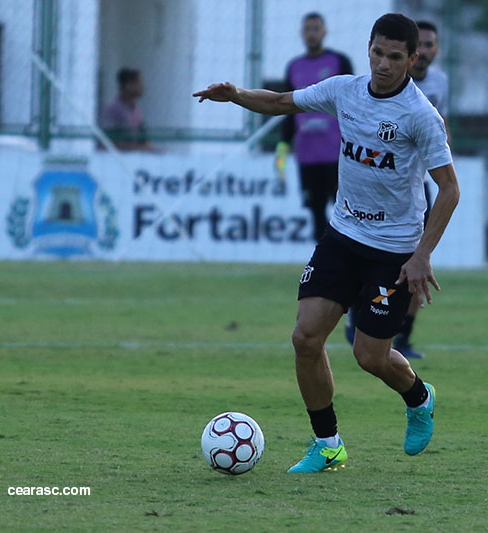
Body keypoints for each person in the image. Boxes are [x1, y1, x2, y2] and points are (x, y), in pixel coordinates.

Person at [193, 13, 460, 473]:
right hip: (343, 235)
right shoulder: (344, 90)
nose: (383, 64)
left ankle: (418, 397)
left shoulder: (421, 117)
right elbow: (280, 101)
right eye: (377, 53)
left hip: (393, 248)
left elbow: (450, 189)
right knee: (305, 337)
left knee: (369, 357)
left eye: (395, 57)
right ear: (369, 48)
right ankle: (328, 444)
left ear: (412, 60)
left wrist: (422, 255)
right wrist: (236, 95)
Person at [346, 19, 451, 359]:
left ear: (420, 53)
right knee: (359, 251)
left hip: (415, 190)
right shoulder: (367, 89)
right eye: (378, 53)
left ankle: (403, 336)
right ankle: (358, 310)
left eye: (432, 45)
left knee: (417, 266)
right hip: (372, 190)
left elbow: (441, 131)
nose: (383, 63)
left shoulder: (434, 90)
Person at [278, 13, 353, 242]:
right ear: (302, 33)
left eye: (316, 29)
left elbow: (353, 103)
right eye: (308, 29)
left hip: (337, 153)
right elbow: (288, 109)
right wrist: (283, 144)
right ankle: (323, 264)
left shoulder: (339, 62)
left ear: (324, 32)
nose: (312, 33)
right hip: (307, 154)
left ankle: (351, 260)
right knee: (315, 211)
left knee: (346, 212)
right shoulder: (294, 67)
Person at [99, 68, 154, 152]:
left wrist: (149, 148)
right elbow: (111, 140)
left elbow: (143, 135)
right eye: (139, 83)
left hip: (132, 154)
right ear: (128, 85)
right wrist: (139, 148)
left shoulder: (135, 108)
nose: (142, 87)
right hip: (112, 156)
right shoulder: (112, 107)